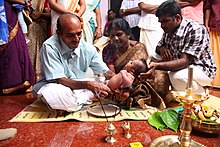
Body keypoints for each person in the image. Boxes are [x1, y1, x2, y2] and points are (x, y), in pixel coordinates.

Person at [33, 13, 114, 112]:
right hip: (57, 85)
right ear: (59, 33)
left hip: (79, 85)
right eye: (70, 35)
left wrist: (118, 80)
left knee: (102, 81)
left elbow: (105, 72)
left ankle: (77, 100)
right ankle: (83, 98)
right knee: (53, 92)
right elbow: (60, 80)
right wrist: (89, 85)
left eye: (79, 33)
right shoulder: (49, 47)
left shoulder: (88, 48)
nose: (76, 39)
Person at [141, 0, 216, 94]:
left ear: (177, 18)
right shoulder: (169, 29)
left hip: (202, 69)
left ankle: (198, 96)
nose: (162, 26)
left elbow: (184, 61)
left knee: (176, 76)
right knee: (153, 56)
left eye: (165, 21)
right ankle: (180, 91)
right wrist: (162, 49)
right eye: (160, 22)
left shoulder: (195, 29)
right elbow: (158, 47)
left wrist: (157, 66)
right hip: (183, 65)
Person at [102, 18, 166, 110]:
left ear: (128, 34)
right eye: (112, 36)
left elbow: (143, 67)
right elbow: (110, 73)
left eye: (119, 34)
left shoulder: (138, 47)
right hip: (120, 83)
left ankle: (135, 98)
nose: (115, 38)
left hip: (138, 80)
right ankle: (129, 98)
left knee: (159, 74)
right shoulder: (108, 50)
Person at [0, 0, 35, 95]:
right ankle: (10, 83)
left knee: (16, 41)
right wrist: (24, 2)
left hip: (9, 9)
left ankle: (21, 80)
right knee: (10, 42)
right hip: (4, 11)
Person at [28, 0, 51, 82]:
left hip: (41, 27)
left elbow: (52, 14)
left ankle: (38, 76)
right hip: (26, 27)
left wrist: (41, 14)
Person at [204, 0, 220, 88]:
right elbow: (208, 7)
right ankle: (216, 82)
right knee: (215, 55)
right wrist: (206, 24)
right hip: (215, 25)